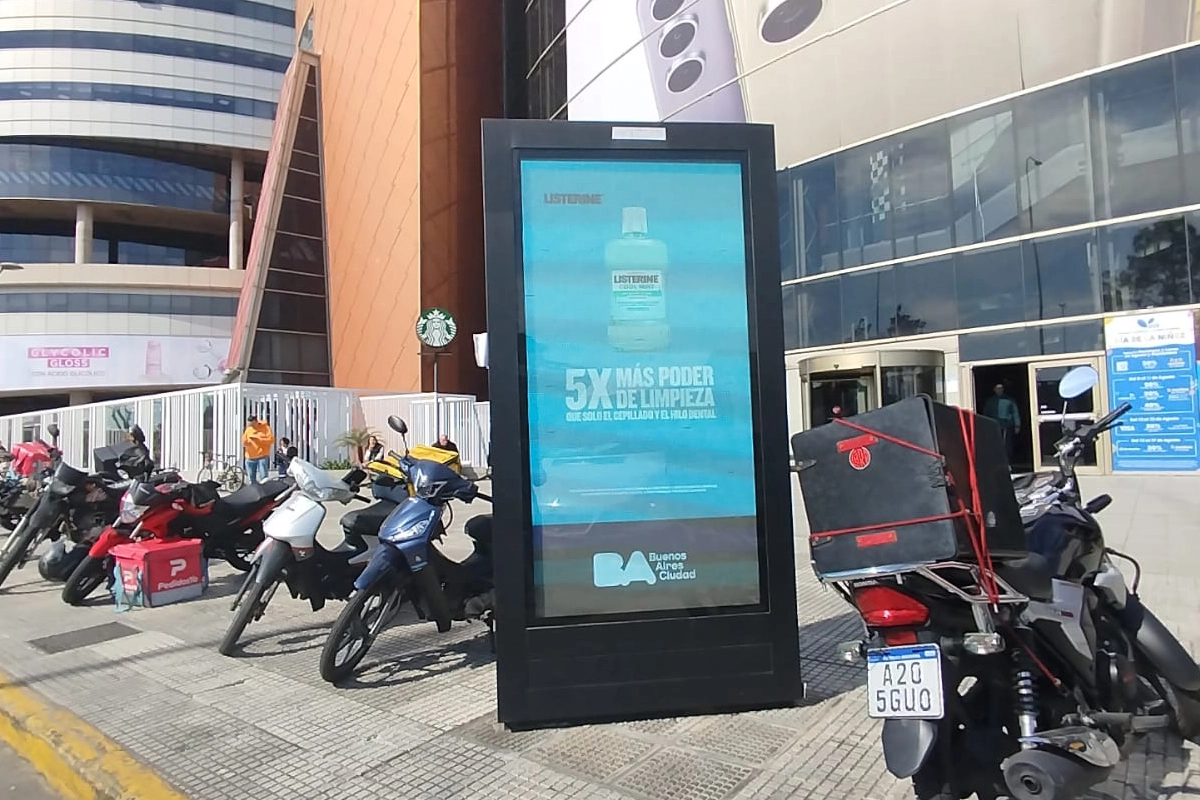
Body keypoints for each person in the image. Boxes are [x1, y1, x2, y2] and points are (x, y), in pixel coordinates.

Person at [982, 383, 1021, 466]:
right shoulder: (990, 401)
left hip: (1007, 426)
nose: (999, 390)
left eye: (1001, 388)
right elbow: (985, 415)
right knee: (995, 446)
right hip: (994, 427)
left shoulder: (1010, 400)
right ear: (994, 390)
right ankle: (997, 463)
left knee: (1007, 446)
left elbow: (1015, 412)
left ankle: (1008, 463)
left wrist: (1017, 425)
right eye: (997, 388)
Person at [242, 415, 275, 484]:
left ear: (256, 422)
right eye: (250, 425)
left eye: (252, 424)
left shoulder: (265, 428)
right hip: (250, 456)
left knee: (264, 478)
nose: (251, 426)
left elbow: (271, 440)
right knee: (251, 478)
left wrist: (258, 439)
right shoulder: (248, 429)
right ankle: (253, 488)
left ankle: (264, 488)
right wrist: (246, 442)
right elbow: (244, 441)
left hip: (262, 455)